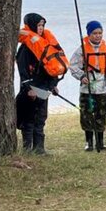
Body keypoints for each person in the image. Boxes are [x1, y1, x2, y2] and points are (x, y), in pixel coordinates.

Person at [16, 13, 67, 155]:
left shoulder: (45, 47)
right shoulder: (25, 49)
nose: (41, 28)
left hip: (44, 88)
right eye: (38, 25)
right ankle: (27, 149)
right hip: (30, 90)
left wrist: (53, 85)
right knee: (28, 120)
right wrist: (28, 89)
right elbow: (23, 71)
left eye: (42, 25)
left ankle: (39, 148)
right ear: (31, 26)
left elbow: (50, 69)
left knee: (41, 119)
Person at [69, 20, 106, 153]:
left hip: (102, 88)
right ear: (89, 34)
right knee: (87, 114)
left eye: (100, 33)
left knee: (100, 115)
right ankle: (89, 142)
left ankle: (101, 142)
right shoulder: (82, 49)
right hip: (87, 89)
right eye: (95, 33)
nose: (98, 36)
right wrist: (81, 76)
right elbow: (72, 65)